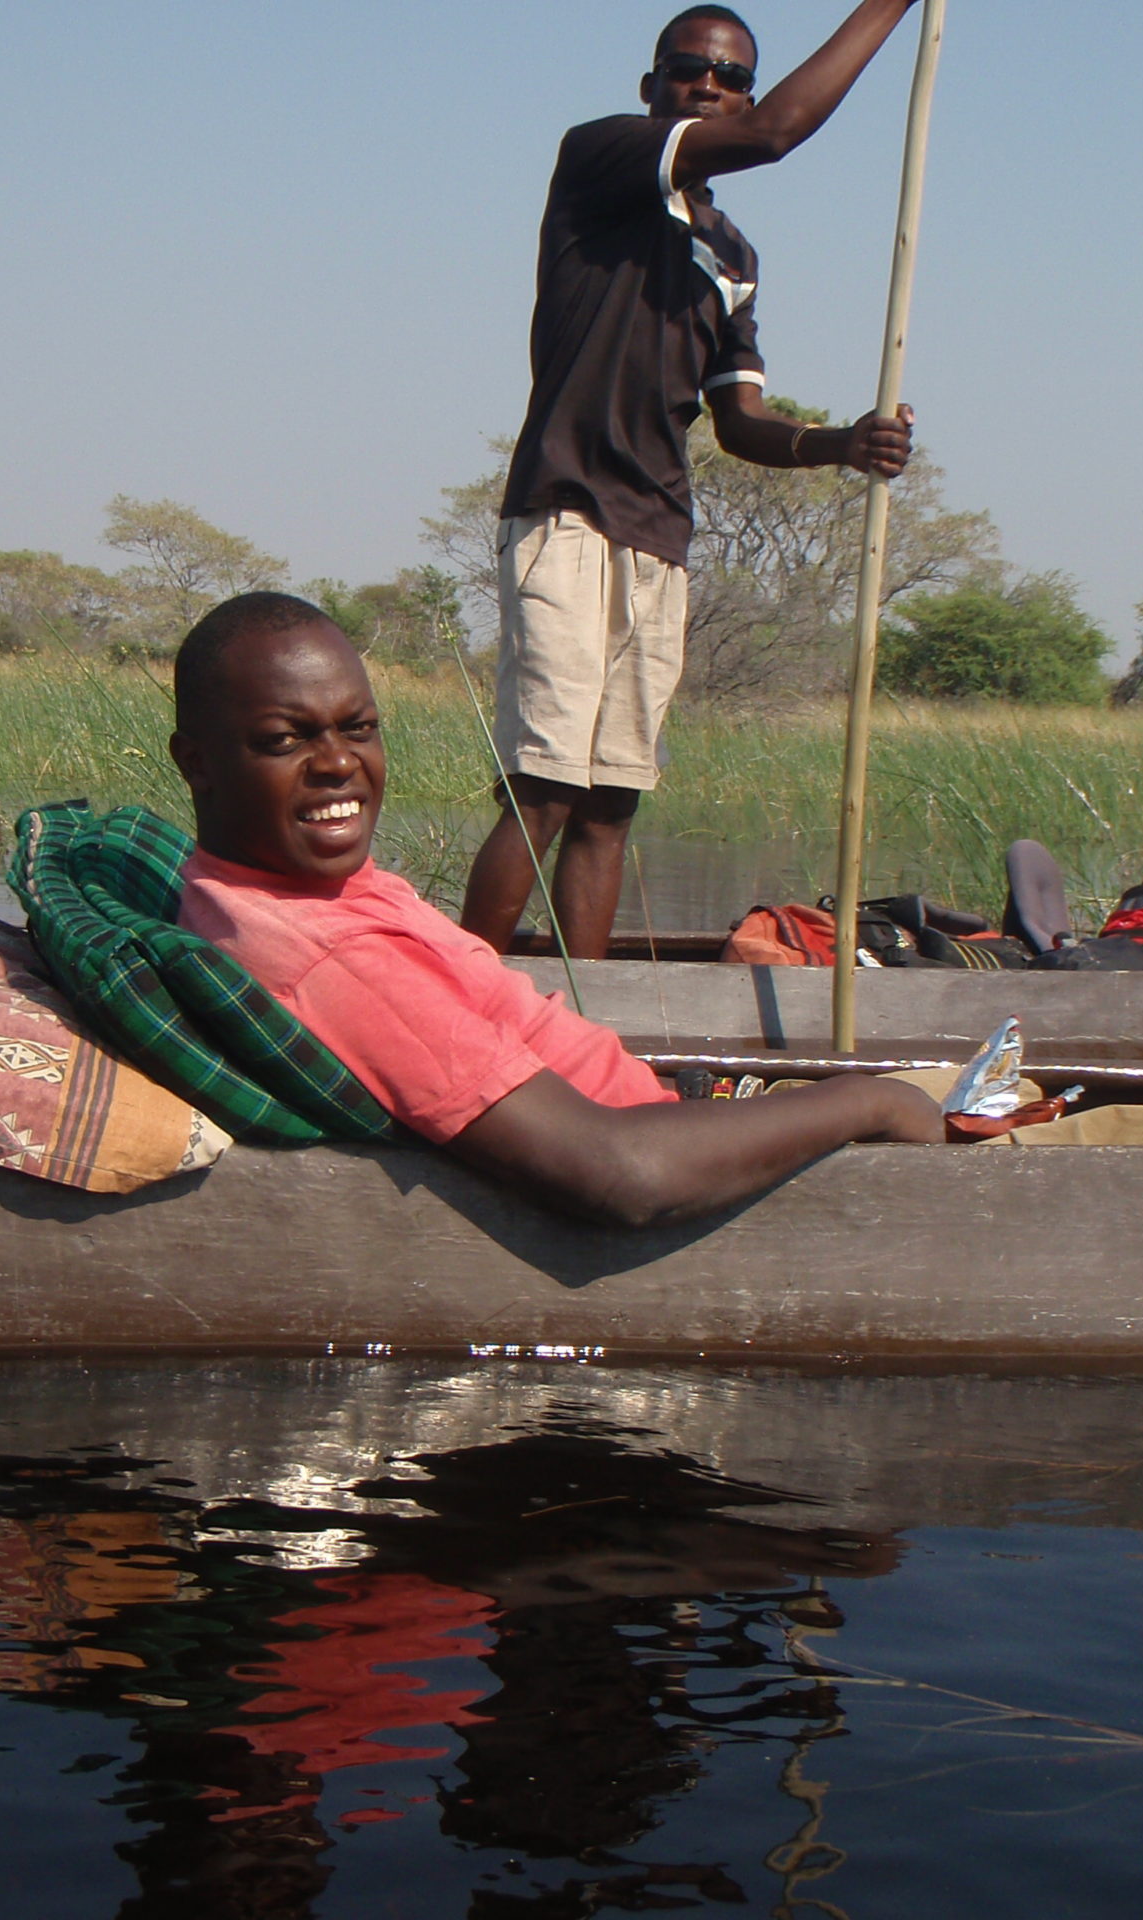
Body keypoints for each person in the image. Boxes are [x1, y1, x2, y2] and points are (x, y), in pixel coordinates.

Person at [167, 593, 943, 1226]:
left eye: (358, 728)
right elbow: (620, 1174)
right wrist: (864, 1100)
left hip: (673, 1114)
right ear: (195, 761)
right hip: (662, 1159)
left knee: (961, 1092)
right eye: (283, 740)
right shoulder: (330, 957)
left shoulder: (289, 887)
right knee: (962, 1113)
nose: (339, 763)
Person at [458, 0, 924, 960]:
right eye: (690, 70)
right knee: (544, 787)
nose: (710, 87)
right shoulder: (603, 158)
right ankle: (460, 997)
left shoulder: (733, 255)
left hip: (659, 532)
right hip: (569, 508)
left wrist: (845, 443)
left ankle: (597, 1027)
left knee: (611, 801)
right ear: (654, 88)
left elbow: (740, 424)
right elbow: (774, 135)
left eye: (731, 77)